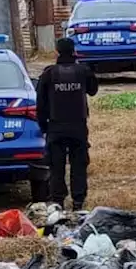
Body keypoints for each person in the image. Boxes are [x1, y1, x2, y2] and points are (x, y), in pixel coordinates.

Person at [36, 37, 98, 212]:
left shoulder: (48, 73)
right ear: (74, 51)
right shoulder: (83, 71)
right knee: (79, 165)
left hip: (55, 127)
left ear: (56, 51)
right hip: (78, 127)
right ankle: (78, 201)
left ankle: (58, 201)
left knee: (56, 166)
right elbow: (93, 90)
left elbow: (40, 103)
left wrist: (43, 127)